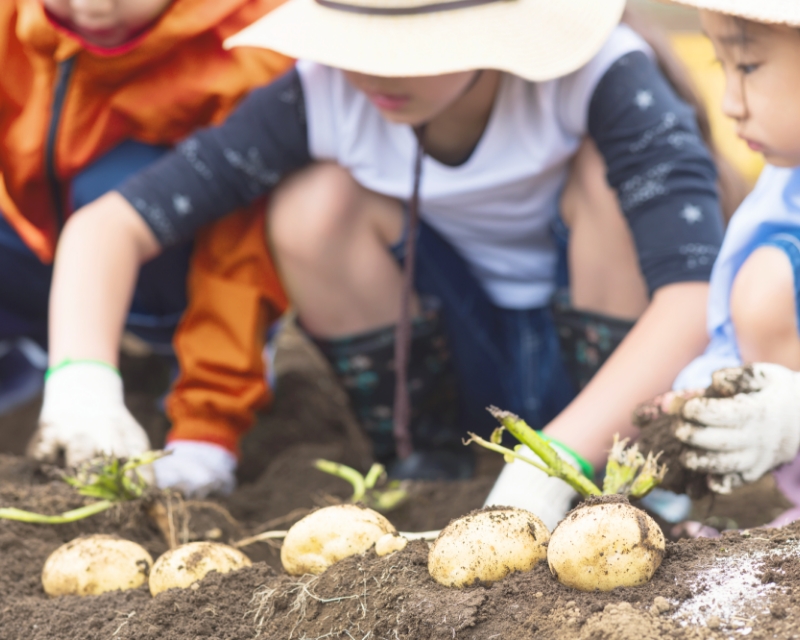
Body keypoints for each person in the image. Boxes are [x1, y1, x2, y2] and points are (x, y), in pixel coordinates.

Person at [40, 0, 725, 526]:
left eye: (408, 50)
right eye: (356, 44)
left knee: (609, 187)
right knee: (313, 202)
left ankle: (628, 478)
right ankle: (426, 456)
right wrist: (81, 383)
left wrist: (560, 458)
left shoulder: (605, 79)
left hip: (614, 366)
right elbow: (111, 226)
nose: (371, 73)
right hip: (453, 355)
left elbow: (693, 296)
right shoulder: (325, 92)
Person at [0, 0, 292, 491]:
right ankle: (29, 359)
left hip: (164, 277)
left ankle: (188, 366)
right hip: (41, 252)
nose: (92, 5)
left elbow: (238, 259)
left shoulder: (247, 51)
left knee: (115, 183)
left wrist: (208, 426)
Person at [635, 0, 800, 524]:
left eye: (748, 67)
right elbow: (731, 338)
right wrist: (707, 390)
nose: (730, 103)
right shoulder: (784, 186)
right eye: (721, 66)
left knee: (768, 288)